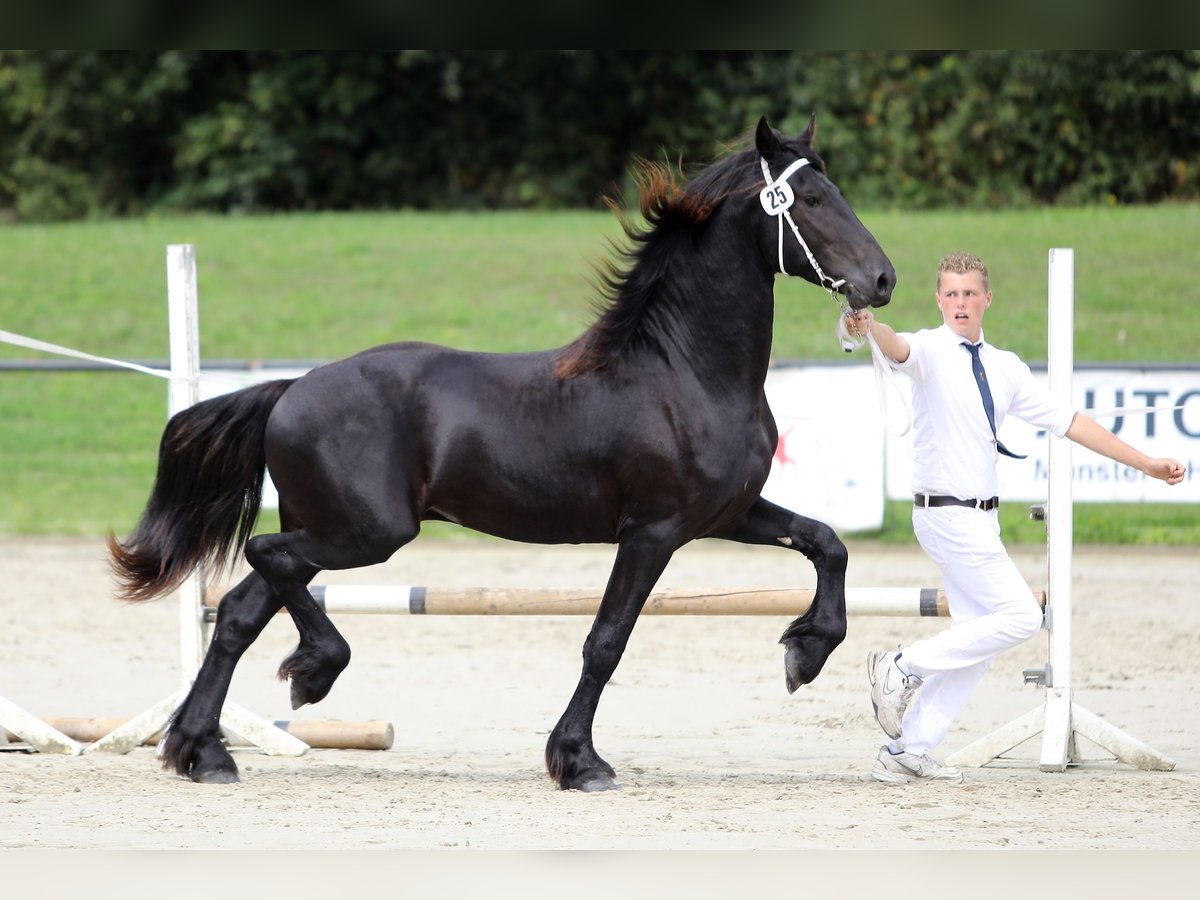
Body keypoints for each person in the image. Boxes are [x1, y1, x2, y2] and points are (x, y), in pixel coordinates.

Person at [846, 251, 1186, 786]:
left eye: (969, 293)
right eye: (951, 293)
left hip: (982, 521)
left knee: (980, 640)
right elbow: (896, 343)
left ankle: (907, 749)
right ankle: (901, 665)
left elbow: (1071, 422)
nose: (960, 303)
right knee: (1024, 617)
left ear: (987, 298)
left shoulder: (1006, 368)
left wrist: (1145, 463)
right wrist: (868, 325)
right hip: (944, 515)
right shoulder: (930, 350)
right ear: (938, 299)